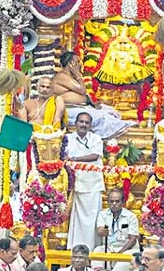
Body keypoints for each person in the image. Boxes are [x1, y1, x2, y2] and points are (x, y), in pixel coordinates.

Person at [54, 51, 134, 139]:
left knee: (111, 111)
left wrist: (92, 103)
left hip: (81, 107)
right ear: (70, 64)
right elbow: (81, 90)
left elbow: (83, 94)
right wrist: (78, 75)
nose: (80, 65)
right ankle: (104, 140)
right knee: (101, 117)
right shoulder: (62, 76)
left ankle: (110, 137)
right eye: (77, 62)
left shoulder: (70, 76)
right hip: (70, 111)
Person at [66, 112, 104, 250]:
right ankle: (74, 249)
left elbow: (95, 156)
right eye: (81, 122)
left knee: (92, 219)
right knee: (77, 220)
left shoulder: (96, 139)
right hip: (76, 184)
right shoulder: (67, 138)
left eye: (86, 123)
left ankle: (92, 250)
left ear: (90, 126)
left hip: (93, 185)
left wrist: (75, 160)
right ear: (75, 123)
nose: (83, 125)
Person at [92, 189, 139, 271]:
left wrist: (119, 254)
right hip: (109, 247)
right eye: (111, 201)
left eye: (117, 201)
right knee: (97, 250)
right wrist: (102, 231)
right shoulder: (103, 214)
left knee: (120, 266)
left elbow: (133, 240)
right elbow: (99, 231)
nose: (114, 204)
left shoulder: (131, 216)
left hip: (126, 249)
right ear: (108, 202)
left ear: (123, 202)